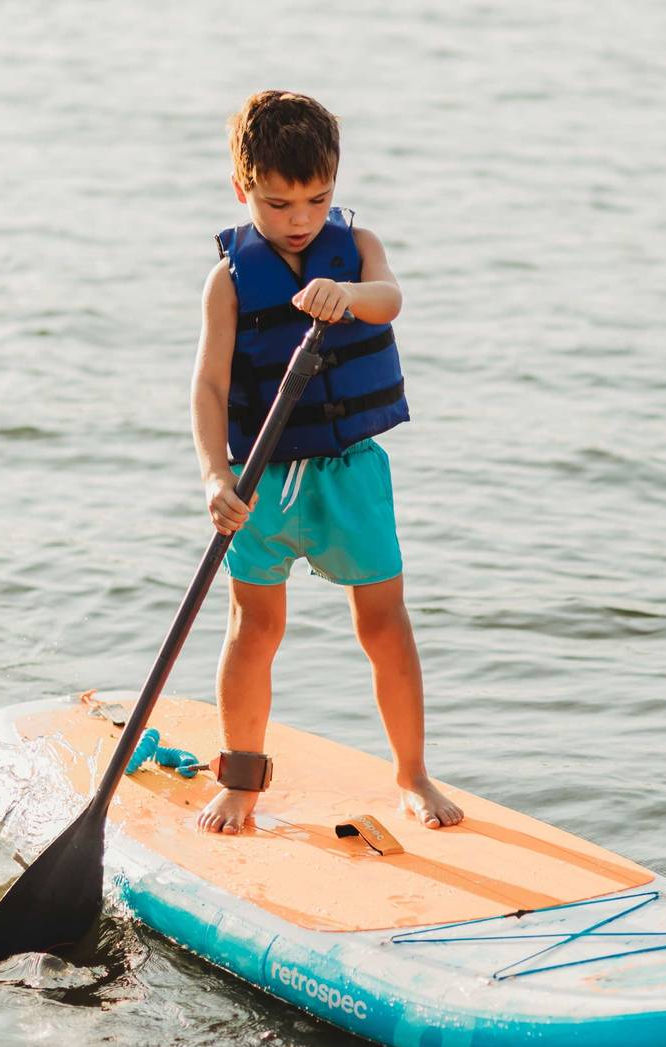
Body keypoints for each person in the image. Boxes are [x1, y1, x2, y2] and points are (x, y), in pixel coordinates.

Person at [189, 89, 463, 836]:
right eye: (278, 205)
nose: (300, 219)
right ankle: (242, 777)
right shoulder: (231, 280)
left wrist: (346, 293)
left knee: (383, 624)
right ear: (242, 189)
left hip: (351, 473)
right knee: (253, 626)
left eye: (317, 199)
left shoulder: (356, 250)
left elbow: (390, 299)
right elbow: (210, 386)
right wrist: (215, 476)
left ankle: (410, 772)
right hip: (263, 481)